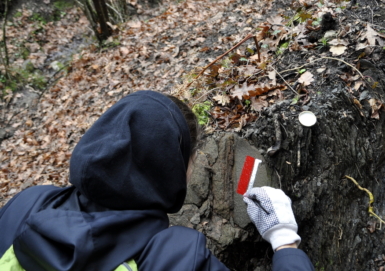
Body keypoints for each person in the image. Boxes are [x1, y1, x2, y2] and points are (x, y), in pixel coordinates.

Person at [0, 90, 314, 271]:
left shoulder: (27, 204)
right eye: (191, 158)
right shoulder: (175, 258)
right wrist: (285, 242)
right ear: (174, 168)